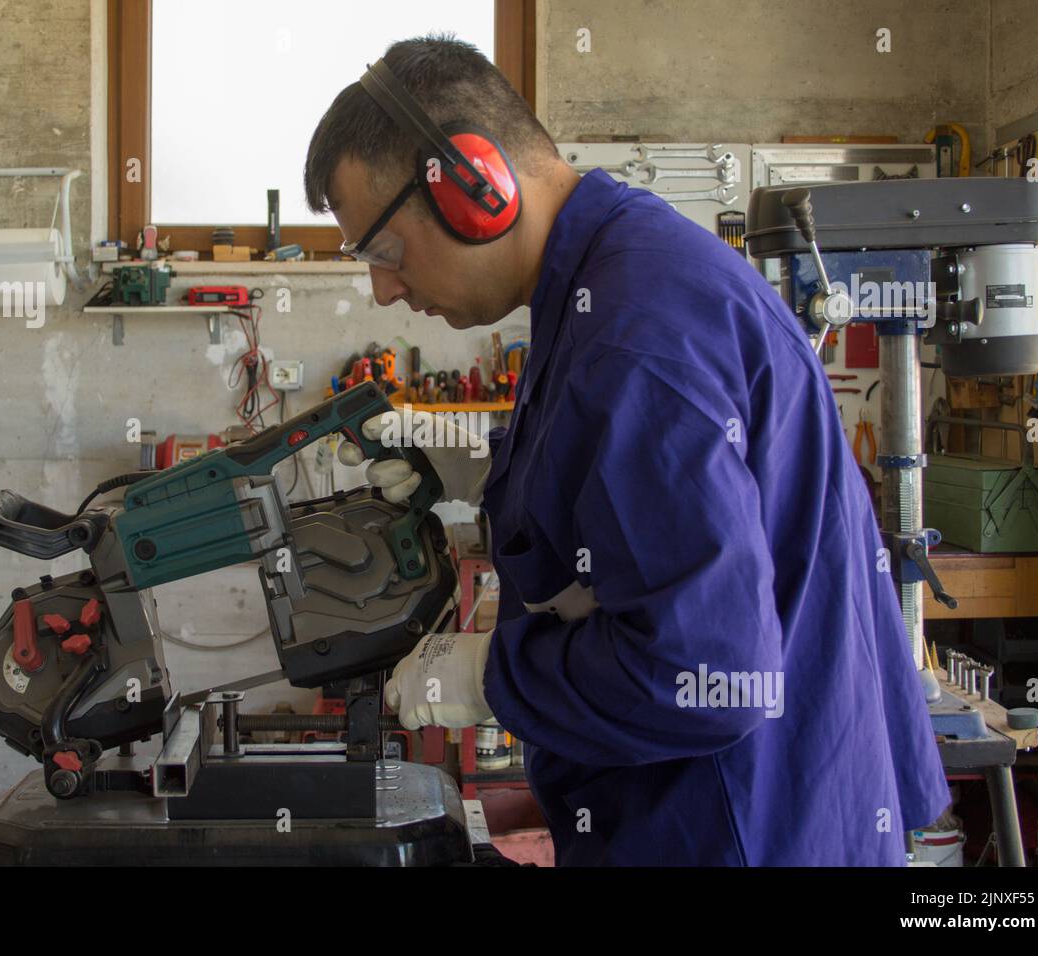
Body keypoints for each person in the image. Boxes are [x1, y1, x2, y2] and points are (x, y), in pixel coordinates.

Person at [303, 35, 950, 865]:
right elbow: (617, 481)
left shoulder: (635, 337)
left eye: (384, 253)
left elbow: (701, 675)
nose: (382, 288)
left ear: (476, 187)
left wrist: (488, 679)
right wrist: (474, 464)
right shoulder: (615, 273)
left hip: (738, 829)